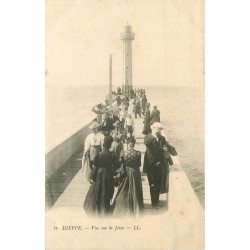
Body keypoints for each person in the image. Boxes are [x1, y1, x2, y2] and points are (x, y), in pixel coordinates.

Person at [83, 136, 118, 217]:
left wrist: (93, 176)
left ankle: (96, 209)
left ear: (104, 145)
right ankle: (105, 210)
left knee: (98, 190)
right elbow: (116, 165)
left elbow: (95, 165)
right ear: (110, 145)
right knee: (107, 191)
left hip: (99, 173)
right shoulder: (112, 155)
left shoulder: (99, 154)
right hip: (108, 174)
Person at [112, 136, 144, 217]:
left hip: (126, 172)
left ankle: (124, 206)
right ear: (134, 144)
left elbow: (120, 163)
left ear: (128, 144)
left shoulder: (124, 153)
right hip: (135, 172)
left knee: (125, 187)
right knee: (135, 188)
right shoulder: (138, 153)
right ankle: (136, 207)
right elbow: (139, 164)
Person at [143, 122, 167, 211]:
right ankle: (153, 204)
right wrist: (154, 135)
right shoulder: (148, 137)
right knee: (152, 184)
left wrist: (166, 149)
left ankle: (157, 201)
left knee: (158, 183)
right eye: (158, 129)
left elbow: (164, 147)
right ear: (153, 128)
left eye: (160, 130)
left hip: (159, 164)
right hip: (151, 165)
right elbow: (146, 143)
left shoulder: (162, 138)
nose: (159, 131)